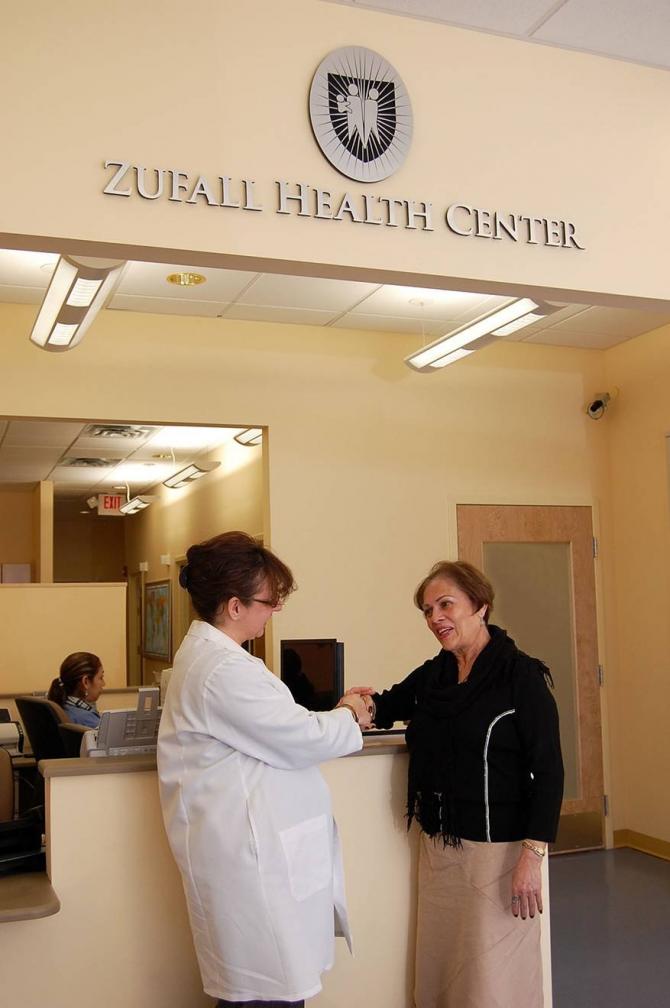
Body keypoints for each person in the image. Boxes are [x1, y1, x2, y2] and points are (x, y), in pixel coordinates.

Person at [156, 531, 371, 1008]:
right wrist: (351, 715)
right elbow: (300, 738)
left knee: (265, 993)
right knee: (265, 996)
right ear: (235, 606)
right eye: (269, 601)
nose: (275, 610)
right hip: (248, 865)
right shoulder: (220, 671)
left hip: (255, 856)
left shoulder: (220, 661)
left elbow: (279, 727)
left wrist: (334, 714)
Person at [347, 560, 564, 1008]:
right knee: (443, 974)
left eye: (446, 604)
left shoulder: (520, 677)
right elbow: (386, 705)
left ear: (480, 606)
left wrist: (532, 855)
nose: (435, 618)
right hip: (441, 850)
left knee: (492, 984)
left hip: (498, 854)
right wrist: (354, 707)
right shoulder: (437, 674)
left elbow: (549, 771)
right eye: (427, 610)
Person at [47, 651, 105, 727]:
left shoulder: (62, 706)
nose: (104, 683)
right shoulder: (87, 720)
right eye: (101, 678)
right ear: (86, 682)